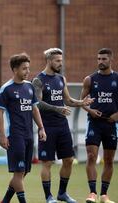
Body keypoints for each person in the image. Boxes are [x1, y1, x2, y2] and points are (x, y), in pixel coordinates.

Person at [32, 48, 94, 203]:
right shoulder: (38, 80)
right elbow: (37, 103)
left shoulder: (61, 79)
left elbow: (67, 100)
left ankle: (62, 193)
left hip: (62, 126)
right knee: (47, 162)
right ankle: (48, 196)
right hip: (47, 126)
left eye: (61, 60)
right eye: (58, 61)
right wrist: (56, 108)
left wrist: (81, 103)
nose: (61, 63)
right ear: (49, 60)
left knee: (68, 160)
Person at [0, 53, 46, 203]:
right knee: (19, 172)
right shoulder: (6, 89)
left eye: (28, 68)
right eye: (24, 68)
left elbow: (34, 109)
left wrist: (41, 128)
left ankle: (5, 200)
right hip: (15, 136)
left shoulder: (30, 87)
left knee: (23, 172)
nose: (27, 71)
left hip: (28, 135)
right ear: (15, 69)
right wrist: (2, 136)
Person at [80, 48, 117, 203]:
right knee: (91, 156)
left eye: (104, 59)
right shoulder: (90, 79)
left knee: (108, 160)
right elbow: (81, 101)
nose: (100, 62)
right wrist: (90, 110)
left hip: (110, 125)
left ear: (111, 60)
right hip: (94, 123)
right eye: (99, 59)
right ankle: (92, 193)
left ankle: (104, 195)